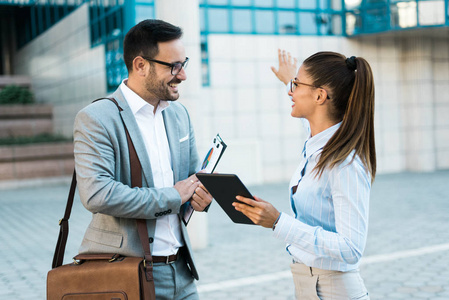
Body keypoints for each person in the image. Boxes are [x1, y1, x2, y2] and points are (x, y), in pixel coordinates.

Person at [73, 19, 212, 300]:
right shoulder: (97, 118)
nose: (183, 75)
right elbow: (97, 194)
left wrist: (203, 196)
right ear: (140, 65)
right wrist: (173, 196)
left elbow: (191, 179)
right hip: (126, 274)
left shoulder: (179, 114)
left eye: (184, 63)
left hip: (182, 271)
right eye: (173, 66)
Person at [233, 49, 375, 300]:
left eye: (297, 85)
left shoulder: (344, 163)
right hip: (309, 286)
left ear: (320, 95)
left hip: (335, 291)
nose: (291, 91)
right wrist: (290, 79)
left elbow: (351, 248)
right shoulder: (319, 140)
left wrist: (278, 222)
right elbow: (311, 117)